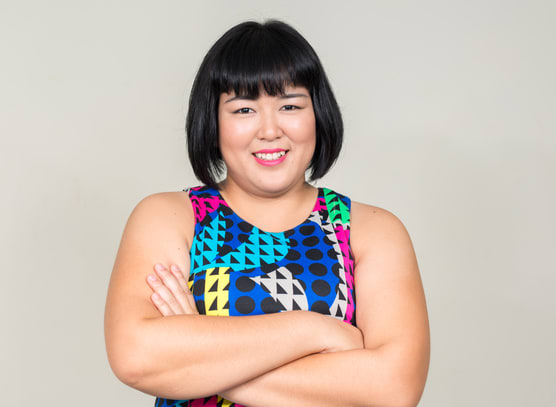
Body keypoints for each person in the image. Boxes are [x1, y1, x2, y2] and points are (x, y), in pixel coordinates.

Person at [104, 20, 429, 407]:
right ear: (214, 122)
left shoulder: (370, 231)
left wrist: (196, 360)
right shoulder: (171, 217)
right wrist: (317, 332)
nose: (270, 130)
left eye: (290, 105)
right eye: (244, 109)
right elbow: (136, 358)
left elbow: (393, 390)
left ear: (317, 113)